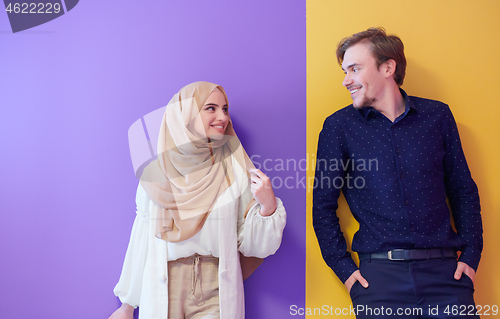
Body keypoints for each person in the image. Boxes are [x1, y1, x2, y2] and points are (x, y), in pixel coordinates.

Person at [313, 28, 482, 318]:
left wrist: (470, 257)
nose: (346, 80)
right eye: (345, 71)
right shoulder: (338, 127)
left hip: (447, 278)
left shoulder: (438, 116)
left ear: (388, 67)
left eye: (354, 69)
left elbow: (463, 190)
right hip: (378, 282)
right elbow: (322, 205)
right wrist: (345, 270)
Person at [109, 81, 286, 319]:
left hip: (217, 287)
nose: (222, 116)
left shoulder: (233, 167)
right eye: (210, 108)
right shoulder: (156, 172)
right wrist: (127, 305)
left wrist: (268, 206)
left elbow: (254, 246)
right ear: (185, 115)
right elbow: (142, 236)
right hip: (163, 284)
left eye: (225, 109)